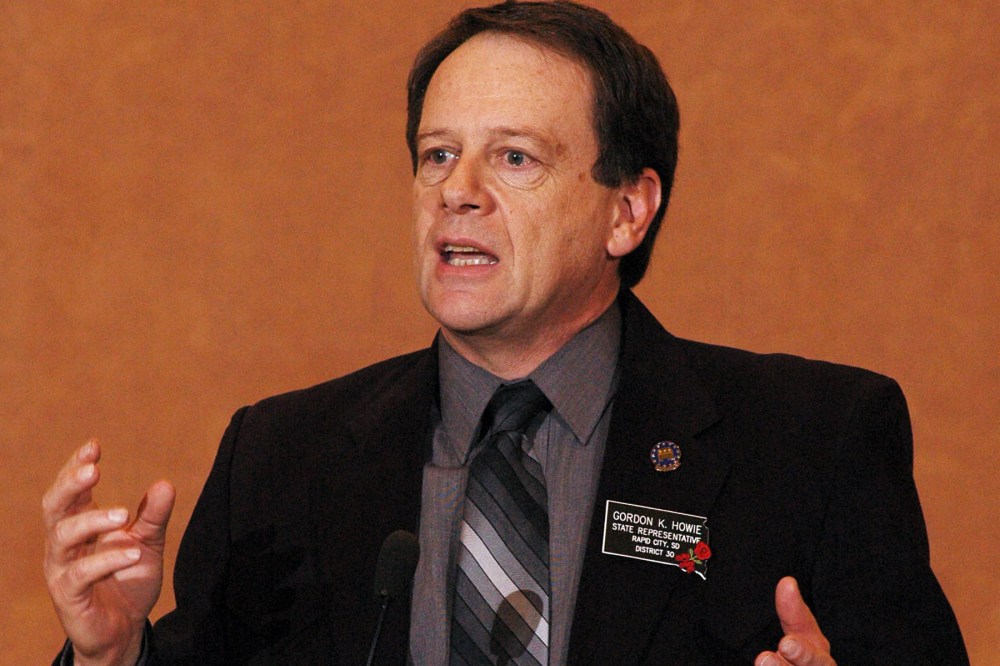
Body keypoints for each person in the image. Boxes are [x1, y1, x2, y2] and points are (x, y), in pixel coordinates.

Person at [43, 2, 968, 664]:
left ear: (627, 211)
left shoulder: (811, 445)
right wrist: (113, 655)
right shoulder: (281, 457)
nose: (458, 191)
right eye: (438, 154)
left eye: (514, 157)